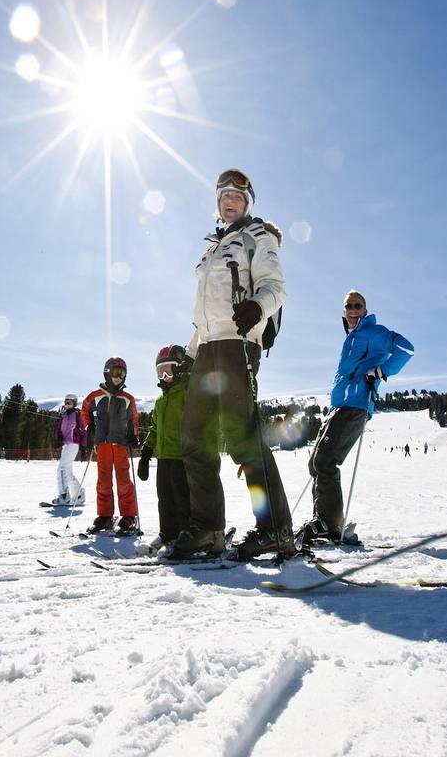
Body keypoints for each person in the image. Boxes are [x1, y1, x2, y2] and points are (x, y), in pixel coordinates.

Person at [170, 169, 293, 561]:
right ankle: (208, 529)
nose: (230, 201)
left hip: (239, 343)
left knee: (242, 438)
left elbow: (275, 287)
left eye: (237, 197)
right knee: (195, 439)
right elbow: (202, 315)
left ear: (247, 203)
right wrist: (189, 357)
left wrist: (257, 307)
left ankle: (274, 528)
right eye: (224, 196)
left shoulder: (258, 237)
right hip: (208, 348)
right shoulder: (211, 249)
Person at [298, 290, 413, 547]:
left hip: (355, 406)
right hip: (340, 407)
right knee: (316, 463)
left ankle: (329, 524)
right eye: (348, 306)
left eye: (357, 305)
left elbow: (406, 348)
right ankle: (323, 521)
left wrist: (382, 371)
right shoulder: (352, 338)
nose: (352, 309)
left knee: (326, 461)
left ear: (365, 309)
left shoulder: (373, 332)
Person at [138, 345, 194, 552]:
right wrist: (146, 453)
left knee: (182, 498)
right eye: (160, 371)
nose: (163, 376)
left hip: (181, 456)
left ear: (180, 369)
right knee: (164, 498)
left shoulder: (186, 394)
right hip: (163, 458)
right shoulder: (160, 400)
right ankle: (167, 533)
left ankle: (184, 533)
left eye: (168, 370)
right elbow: (154, 428)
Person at [81, 358, 141, 535]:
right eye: (115, 372)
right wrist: (89, 426)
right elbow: (84, 409)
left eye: (122, 374)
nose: (118, 377)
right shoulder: (96, 395)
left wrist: (133, 436)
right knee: (104, 480)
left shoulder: (127, 398)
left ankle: (128, 516)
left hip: (121, 444)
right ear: (107, 372)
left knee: (123, 480)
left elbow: (134, 420)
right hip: (103, 444)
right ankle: (105, 516)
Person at [48, 394, 86, 505]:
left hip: (73, 444)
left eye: (69, 402)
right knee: (67, 471)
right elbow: (59, 429)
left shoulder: (78, 415)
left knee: (62, 469)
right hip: (66, 445)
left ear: (74, 403)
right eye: (65, 402)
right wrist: (57, 439)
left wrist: (83, 447)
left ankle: (64, 496)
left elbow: (83, 431)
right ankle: (79, 494)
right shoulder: (63, 415)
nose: (67, 404)